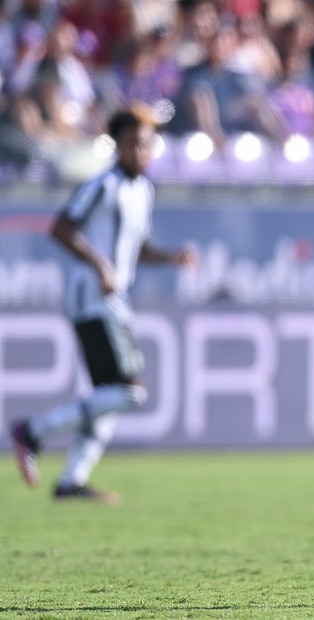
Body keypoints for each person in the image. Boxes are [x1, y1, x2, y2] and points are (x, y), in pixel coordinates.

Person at [9, 105, 198, 505]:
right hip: (91, 295)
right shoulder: (102, 185)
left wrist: (171, 258)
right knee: (130, 392)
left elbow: (138, 248)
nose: (141, 153)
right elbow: (61, 228)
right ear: (118, 145)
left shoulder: (142, 190)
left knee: (109, 397)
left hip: (114, 297)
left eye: (146, 145)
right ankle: (35, 432)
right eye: (133, 145)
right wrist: (99, 263)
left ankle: (71, 481)